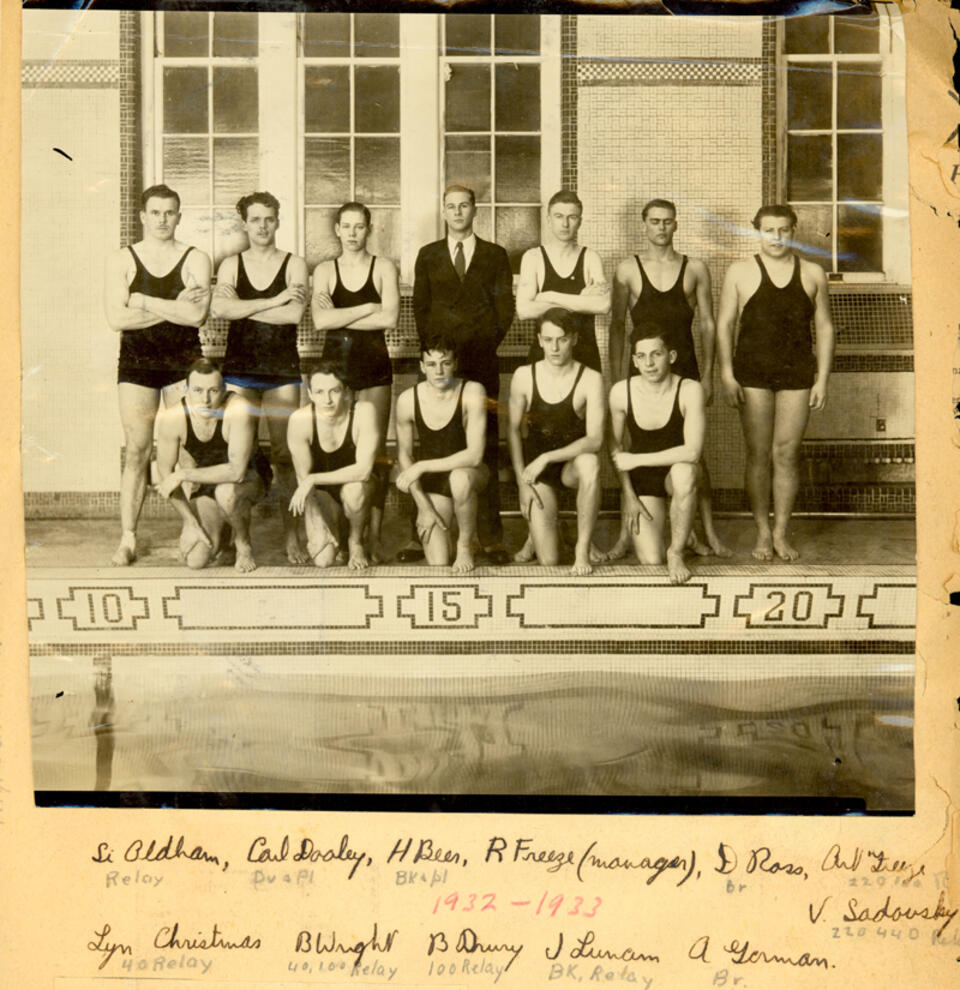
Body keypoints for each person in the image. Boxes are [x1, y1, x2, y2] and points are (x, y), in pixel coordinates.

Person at [606, 197, 729, 561]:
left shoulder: (695, 269)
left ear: (676, 226)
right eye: (655, 221)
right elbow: (616, 326)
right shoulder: (627, 269)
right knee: (627, 444)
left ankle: (704, 531)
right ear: (644, 226)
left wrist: (707, 375)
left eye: (667, 221)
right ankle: (624, 535)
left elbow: (708, 323)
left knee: (694, 456)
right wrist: (617, 378)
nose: (661, 227)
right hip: (642, 365)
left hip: (684, 366)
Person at [716, 204, 835, 561]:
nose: (776, 237)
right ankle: (762, 532)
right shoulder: (739, 272)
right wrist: (725, 373)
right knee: (758, 454)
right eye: (769, 230)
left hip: (797, 373)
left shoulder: (813, 273)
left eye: (783, 229)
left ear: (794, 231)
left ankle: (782, 532)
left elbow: (825, 328)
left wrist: (822, 379)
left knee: (785, 454)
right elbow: (724, 325)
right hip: (752, 373)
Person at [104, 183, 211, 566]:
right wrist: (174, 306)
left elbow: (197, 316)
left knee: (186, 451)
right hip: (137, 363)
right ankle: (129, 537)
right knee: (137, 450)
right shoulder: (123, 260)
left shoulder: (196, 258)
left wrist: (144, 300)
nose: (163, 220)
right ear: (143, 216)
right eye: (156, 213)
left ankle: (191, 526)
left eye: (170, 213)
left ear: (179, 217)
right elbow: (116, 318)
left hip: (184, 363)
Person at [407, 184, 515, 565]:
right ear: (444, 211)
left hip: (481, 361)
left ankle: (491, 537)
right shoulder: (428, 255)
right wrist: (439, 353)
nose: (457, 212)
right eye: (451, 207)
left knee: (484, 447)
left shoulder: (494, 255)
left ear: (474, 210)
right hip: (439, 363)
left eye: (464, 206)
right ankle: (418, 528)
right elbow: (420, 309)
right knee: (431, 442)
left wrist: (482, 343)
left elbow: (506, 308)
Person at [211, 191, 309, 565]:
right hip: (239, 370)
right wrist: (274, 300)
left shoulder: (294, 263)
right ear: (245, 223)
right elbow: (220, 308)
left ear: (278, 221)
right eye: (255, 219)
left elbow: (294, 315)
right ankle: (241, 542)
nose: (263, 226)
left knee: (286, 456)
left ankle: (292, 537)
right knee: (239, 455)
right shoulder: (231, 264)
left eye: (269, 218)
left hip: (282, 370)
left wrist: (246, 310)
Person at [311, 202, 399, 563]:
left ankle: (372, 535)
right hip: (336, 370)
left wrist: (340, 315)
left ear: (368, 229)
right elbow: (320, 322)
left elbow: (390, 318)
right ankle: (347, 533)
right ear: (336, 229)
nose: (352, 233)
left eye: (359, 227)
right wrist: (368, 308)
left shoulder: (383, 268)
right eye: (346, 226)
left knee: (373, 454)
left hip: (374, 366)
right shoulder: (325, 270)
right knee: (339, 449)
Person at [508, 308, 605, 576]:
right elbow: (513, 431)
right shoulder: (524, 376)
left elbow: (595, 439)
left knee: (590, 463)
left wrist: (547, 457)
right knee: (549, 561)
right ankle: (545, 531)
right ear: (539, 340)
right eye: (548, 340)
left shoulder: (591, 379)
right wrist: (521, 483)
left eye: (561, 339)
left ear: (573, 339)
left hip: (568, 468)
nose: (554, 347)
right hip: (537, 474)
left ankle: (582, 548)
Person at [608, 329, 708, 585]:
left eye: (656, 354)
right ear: (634, 361)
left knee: (683, 472)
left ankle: (676, 551)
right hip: (643, 480)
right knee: (651, 560)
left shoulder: (689, 389)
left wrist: (637, 460)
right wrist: (628, 495)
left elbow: (692, 452)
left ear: (671, 356)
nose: (649, 363)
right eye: (641, 356)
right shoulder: (621, 392)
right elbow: (615, 450)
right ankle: (683, 532)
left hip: (674, 475)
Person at [155, 359, 268, 573]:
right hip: (208, 483)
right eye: (197, 390)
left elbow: (236, 472)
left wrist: (184, 474)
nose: (205, 400)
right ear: (186, 389)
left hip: (249, 479)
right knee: (196, 559)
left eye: (213, 390)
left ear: (224, 389)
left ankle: (243, 544)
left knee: (226, 493)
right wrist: (190, 522)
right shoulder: (174, 417)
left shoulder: (238, 408)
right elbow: (165, 476)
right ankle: (223, 535)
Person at [394, 334, 489, 573]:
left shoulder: (472, 391)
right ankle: (456, 528)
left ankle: (465, 543)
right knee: (438, 562)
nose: (438, 371)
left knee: (459, 478)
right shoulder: (407, 400)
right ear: (421, 366)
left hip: (471, 474)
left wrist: (422, 466)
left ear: (454, 364)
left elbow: (475, 455)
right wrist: (423, 505)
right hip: (434, 484)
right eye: (432, 364)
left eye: (445, 363)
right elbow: (404, 457)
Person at [286, 360, 378, 570]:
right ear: (309, 394)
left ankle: (355, 542)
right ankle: (339, 534)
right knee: (323, 561)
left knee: (355, 490)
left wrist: (314, 478)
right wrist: (318, 523)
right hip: (322, 495)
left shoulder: (363, 411)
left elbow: (363, 471)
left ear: (345, 392)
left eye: (334, 391)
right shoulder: (300, 420)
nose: (327, 400)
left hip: (357, 488)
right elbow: (303, 481)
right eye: (319, 392)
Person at [516, 189, 610, 372]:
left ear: (580, 222)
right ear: (549, 219)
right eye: (559, 216)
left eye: (572, 217)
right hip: (545, 357)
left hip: (584, 353)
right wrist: (582, 301)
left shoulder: (590, 257)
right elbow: (524, 310)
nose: (565, 224)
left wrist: (547, 296)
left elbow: (603, 305)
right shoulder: (533, 257)